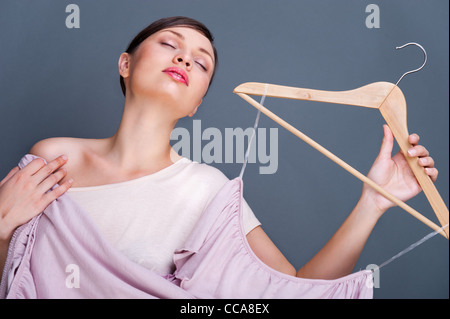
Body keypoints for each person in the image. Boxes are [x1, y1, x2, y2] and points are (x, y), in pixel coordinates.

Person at [0, 16, 439, 282]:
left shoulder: (205, 189)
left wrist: (374, 201)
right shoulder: (56, 157)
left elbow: (292, 291)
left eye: (202, 61)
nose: (185, 59)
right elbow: (14, 277)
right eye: (169, 44)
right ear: (126, 64)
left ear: (197, 104)